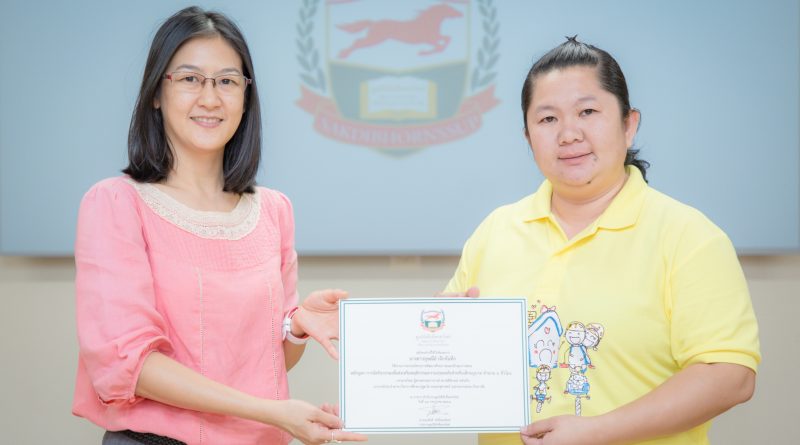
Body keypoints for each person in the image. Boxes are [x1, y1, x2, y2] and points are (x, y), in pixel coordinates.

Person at [444, 37, 760, 445]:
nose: (568, 134)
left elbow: (730, 376)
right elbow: (451, 364)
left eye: (588, 112)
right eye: (547, 119)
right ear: (528, 137)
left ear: (629, 125)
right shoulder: (495, 230)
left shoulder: (689, 236)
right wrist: (436, 344)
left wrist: (596, 432)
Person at [73, 7, 367, 445]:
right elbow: (130, 365)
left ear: (246, 97)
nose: (210, 98)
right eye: (190, 78)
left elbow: (268, 363)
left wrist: (297, 328)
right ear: (156, 93)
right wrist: (272, 413)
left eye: (227, 81)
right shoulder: (116, 204)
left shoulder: (272, 210)